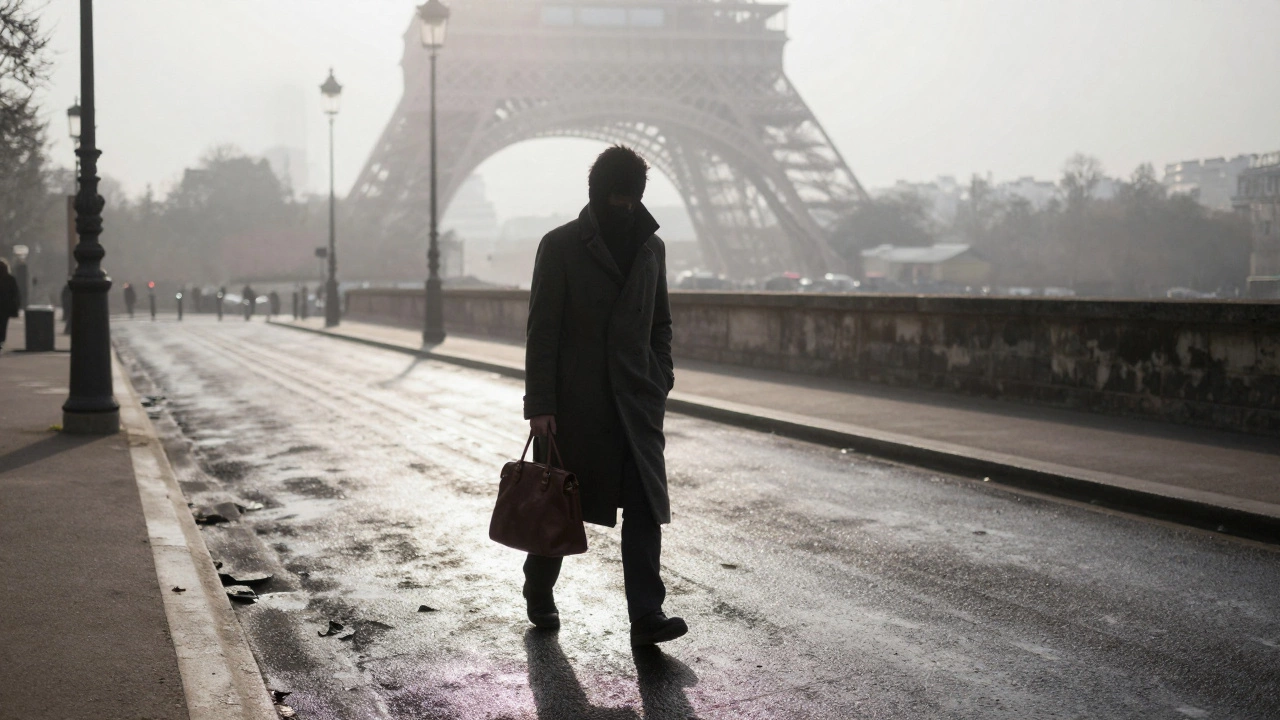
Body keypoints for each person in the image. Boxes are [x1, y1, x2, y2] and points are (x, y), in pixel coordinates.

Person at [522, 145, 684, 646]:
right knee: (560, 504)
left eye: (632, 198)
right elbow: (542, 331)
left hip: (636, 402)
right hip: (577, 405)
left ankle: (646, 617)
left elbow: (660, 322)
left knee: (644, 508)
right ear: (597, 194)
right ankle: (539, 587)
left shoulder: (652, 249)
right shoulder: (560, 245)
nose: (626, 208)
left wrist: (660, 377)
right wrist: (541, 406)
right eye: (618, 198)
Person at [0, 260, 21, 352]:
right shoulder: (10, 279)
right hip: (6, 306)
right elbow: (15, 293)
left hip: (4, 306)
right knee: (3, 324)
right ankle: (1, 340)